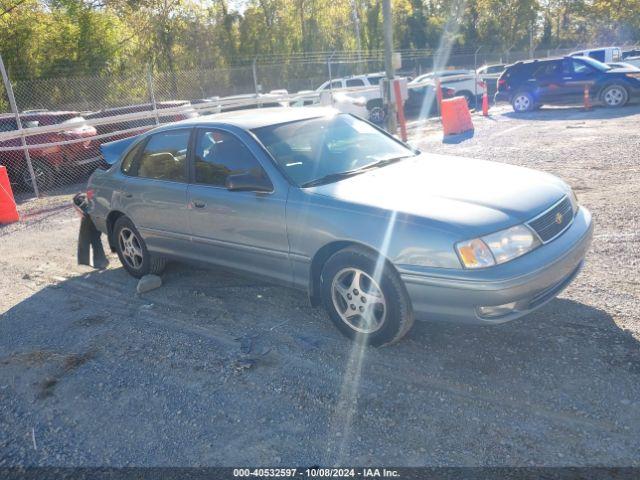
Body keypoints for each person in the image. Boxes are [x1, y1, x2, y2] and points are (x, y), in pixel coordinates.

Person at [73, 192, 109, 269]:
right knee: (95, 237)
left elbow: (82, 213)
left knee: (94, 237)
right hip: (96, 213)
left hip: (91, 214)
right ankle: (100, 262)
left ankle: (100, 261)